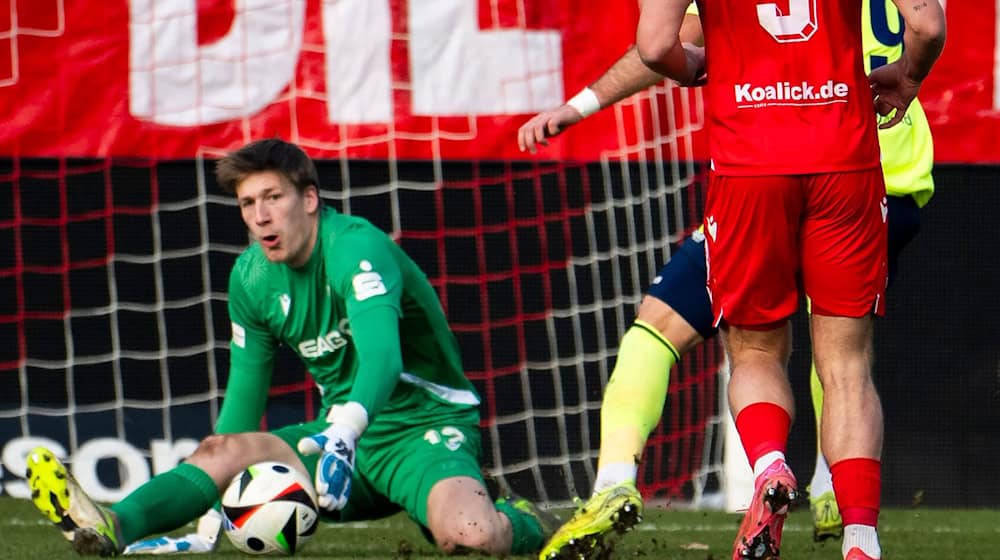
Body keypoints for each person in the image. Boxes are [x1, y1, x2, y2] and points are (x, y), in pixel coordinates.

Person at [519, 2, 939, 557]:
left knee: (735, 347)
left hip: (753, 166)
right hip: (860, 166)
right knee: (845, 363)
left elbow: (656, 45)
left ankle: (750, 468)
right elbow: (928, 24)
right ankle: (854, 527)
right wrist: (908, 77)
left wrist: (658, 77)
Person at [25, 138, 555, 557]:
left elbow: (384, 358)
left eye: (273, 198)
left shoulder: (355, 247)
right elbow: (243, 399)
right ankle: (114, 526)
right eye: (247, 203)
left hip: (419, 430)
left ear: (309, 199)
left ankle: (527, 520)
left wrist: (346, 432)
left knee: (471, 537)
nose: (260, 216)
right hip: (337, 446)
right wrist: (213, 513)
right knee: (221, 450)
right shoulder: (251, 278)